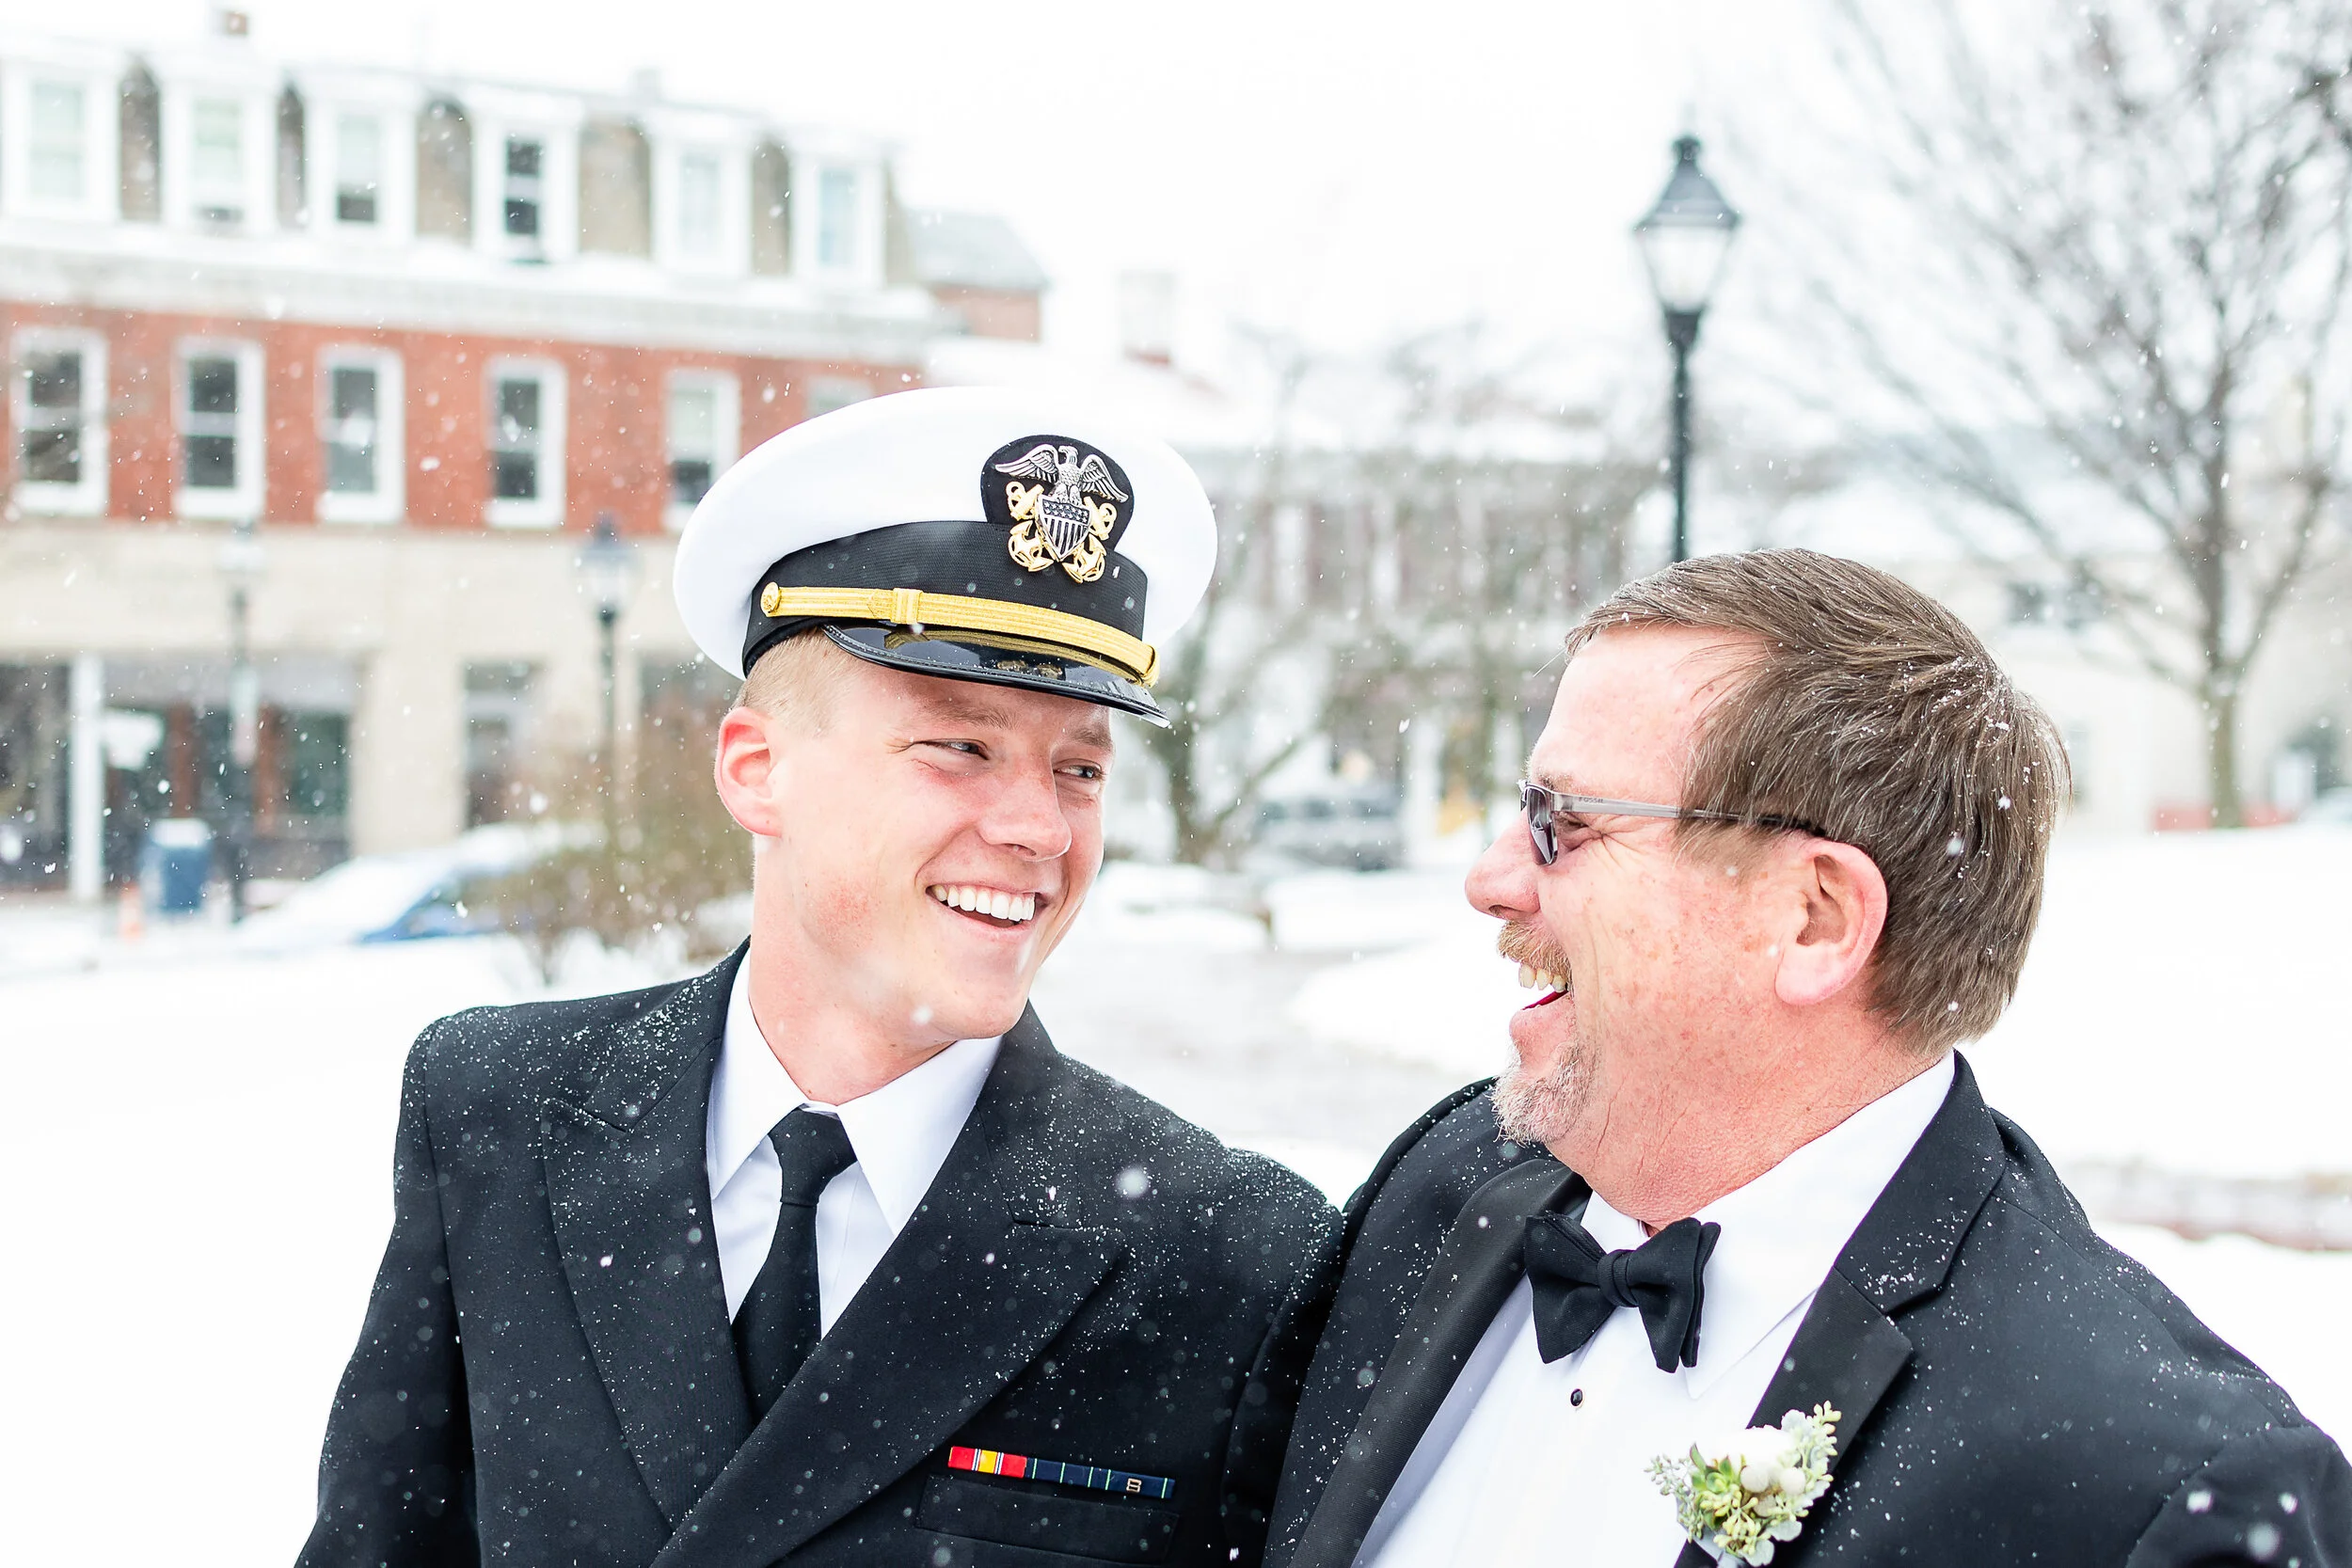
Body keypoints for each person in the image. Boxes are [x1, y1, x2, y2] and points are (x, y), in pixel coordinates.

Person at [299, 388, 1337, 1568]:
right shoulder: (502, 1111)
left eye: (1080, 769)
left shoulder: (1226, 1252)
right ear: (757, 768)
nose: (1040, 827)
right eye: (961, 744)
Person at [1267, 550, 2349, 1568]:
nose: (1491, 879)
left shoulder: (2150, 1484)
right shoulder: (1451, 1185)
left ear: (1817, 916)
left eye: (1564, 822)